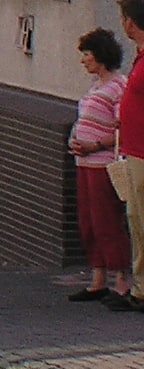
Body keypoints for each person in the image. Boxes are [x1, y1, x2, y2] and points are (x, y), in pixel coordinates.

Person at [68, 29, 129, 301]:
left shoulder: (118, 86)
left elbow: (124, 128)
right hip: (84, 163)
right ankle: (97, 277)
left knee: (107, 220)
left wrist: (96, 145)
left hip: (103, 165)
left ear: (101, 56)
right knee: (88, 221)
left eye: (87, 54)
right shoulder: (95, 85)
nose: (83, 61)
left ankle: (121, 280)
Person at [107, 0, 144, 313]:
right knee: (135, 217)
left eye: (123, 19)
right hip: (133, 149)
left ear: (131, 22)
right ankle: (141, 286)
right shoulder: (139, 57)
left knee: (142, 219)